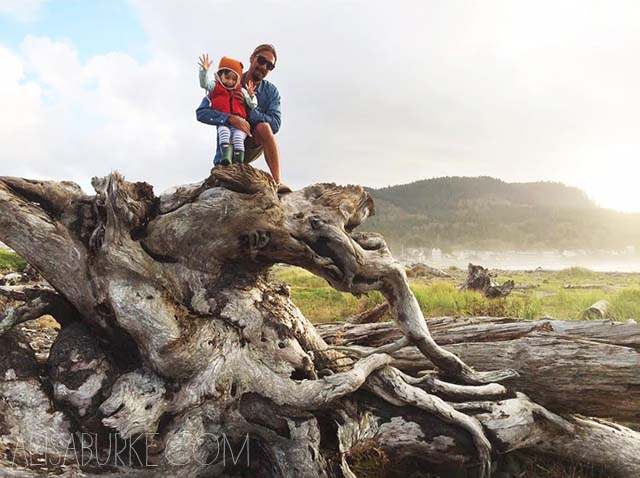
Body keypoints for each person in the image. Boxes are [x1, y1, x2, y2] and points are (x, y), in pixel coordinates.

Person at [196, 44, 291, 193]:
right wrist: (230, 118)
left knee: (264, 127)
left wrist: (249, 111)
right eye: (261, 60)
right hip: (228, 144)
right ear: (252, 58)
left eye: (270, 66)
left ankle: (278, 183)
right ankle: (225, 164)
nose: (264, 67)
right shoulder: (229, 79)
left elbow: (275, 124)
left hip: (252, 142)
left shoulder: (271, 92)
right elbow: (202, 112)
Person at [198, 55, 258, 165]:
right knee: (223, 132)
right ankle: (225, 157)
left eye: (234, 79)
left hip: (240, 124)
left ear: (238, 80)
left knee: (238, 137)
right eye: (227, 78)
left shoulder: (241, 92)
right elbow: (204, 84)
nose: (230, 82)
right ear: (220, 75)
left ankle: (238, 160)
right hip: (224, 123)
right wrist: (204, 71)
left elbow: (253, 104)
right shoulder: (215, 88)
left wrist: (252, 96)